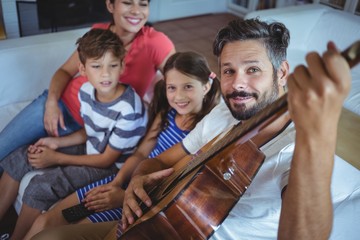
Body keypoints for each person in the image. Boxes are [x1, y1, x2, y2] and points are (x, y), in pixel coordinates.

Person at [32, 18, 352, 240]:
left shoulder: (297, 145)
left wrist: (318, 132)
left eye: (253, 70)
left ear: (282, 72)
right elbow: (160, 161)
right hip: (149, 223)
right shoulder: (223, 115)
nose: (238, 83)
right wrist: (138, 180)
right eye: (229, 70)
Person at [24, 51, 221, 239]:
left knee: (76, 230)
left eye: (188, 86)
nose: (179, 96)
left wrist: (124, 196)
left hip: (142, 200)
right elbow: (141, 154)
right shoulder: (167, 114)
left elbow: (175, 187)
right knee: (50, 218)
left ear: (206, 86)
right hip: (124, 180)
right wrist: (116, 183)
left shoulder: (203, 133)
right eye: (172, 87)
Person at [0, 28, 148, 240]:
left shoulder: (129, 110)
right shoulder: (86, 92)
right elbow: (89, 131)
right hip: (92, 149)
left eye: (113, 66)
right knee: (23, 156)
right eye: (96, 66)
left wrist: (56, 157)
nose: (105, 74)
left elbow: (106, 159)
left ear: (122, 66)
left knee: (40, 187)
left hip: (110, 168)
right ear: (83, 69)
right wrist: (56, 142)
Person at [0, 0, 175, 166]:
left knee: (20, 159)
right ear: (110, 5)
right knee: (3, 149)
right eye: (127, 2)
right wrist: (51, 103)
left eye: (143, 4)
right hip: (61, 104)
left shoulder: (156, 43)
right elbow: (65, 71)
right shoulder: (97, 33)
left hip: (92, 127)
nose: (136, 10)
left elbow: (180, 80)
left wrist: (152, 122)